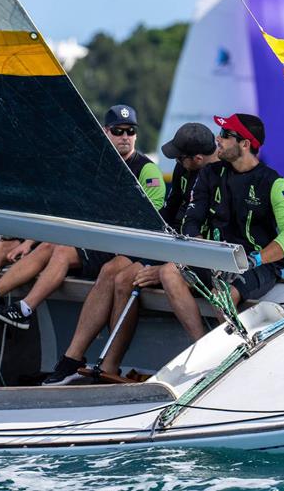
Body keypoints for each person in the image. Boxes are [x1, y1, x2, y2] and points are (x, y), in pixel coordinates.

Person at [0, 104, 166, 330]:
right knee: (48, 244)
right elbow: (75, 209)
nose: (125, 137)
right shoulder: (96, 167)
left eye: (130, 131)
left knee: (61, 252)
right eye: (118, 131)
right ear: (106, 132)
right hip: (96, 240)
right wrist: (29, 241)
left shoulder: (148, 171)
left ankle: (24, 308)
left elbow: (150, 218)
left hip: (121, 248)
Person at [43, 122, 219, 385]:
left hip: (193, 252)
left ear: (198, 158)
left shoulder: (219, 177)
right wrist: (144, 240)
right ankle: (73, 358)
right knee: (110, 269)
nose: (177, 162)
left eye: (180, 158)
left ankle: (111, 366)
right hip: (170, 241)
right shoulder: (185, 167)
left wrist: (165, 265)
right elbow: (169, 210)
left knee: (126, 279)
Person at [158, 113, 284, 342]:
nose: (218, 139)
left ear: (245, 144)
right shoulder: (209, 173)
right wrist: (201, 248)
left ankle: (239, 349)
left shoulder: (274, 183)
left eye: (226, 135)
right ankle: (202, 346)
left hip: (257, 264)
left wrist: (255, 260)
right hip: (217, 259)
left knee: (221, 295)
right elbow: (191, 219)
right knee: (169, 272)